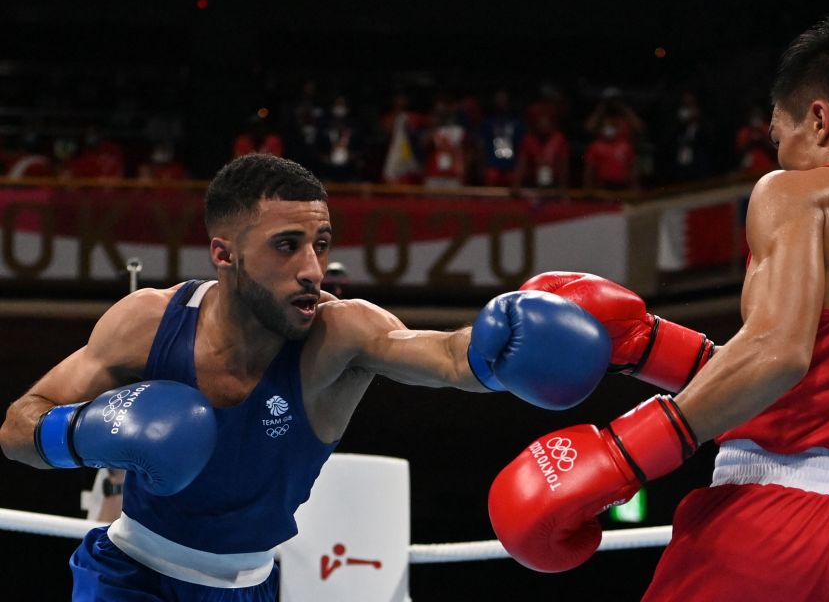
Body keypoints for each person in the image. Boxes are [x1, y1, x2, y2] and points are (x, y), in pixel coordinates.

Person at [0, 153, 613, 601]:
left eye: (321, 243)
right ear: (224, 253)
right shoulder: (148, 322)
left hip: (251, 586)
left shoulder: (338, 336)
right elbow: (17, 425)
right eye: (287, 246)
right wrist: (80, 432)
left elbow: (449, 359)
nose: (313, 269)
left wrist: (497, 352)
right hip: (125, 575)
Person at [488, 19, 829, 601]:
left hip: (766, 523)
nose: (779, 154)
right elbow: (820, 373)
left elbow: (777, 356)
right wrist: (646, 344)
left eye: (779, 137)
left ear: (818, 119)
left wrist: (622, 457)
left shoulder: (801, 192)